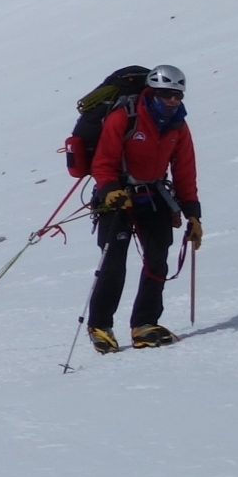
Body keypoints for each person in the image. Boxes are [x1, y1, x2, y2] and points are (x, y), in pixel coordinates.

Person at [85, 64, 202, 352]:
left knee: (157, 259)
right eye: (165, 94)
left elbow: (185, 171)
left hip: (154, 194)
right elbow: (103, 162)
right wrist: (111, 190)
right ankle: (100, 326)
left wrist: (193, 214)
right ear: (152, 92)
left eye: (177, 95)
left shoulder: (178, 125)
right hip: (117, 196)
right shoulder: (123, 117)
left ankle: (145, 324)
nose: (172, 100)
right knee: (113, 263)